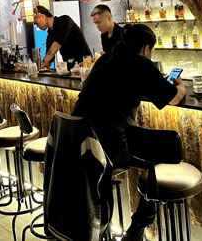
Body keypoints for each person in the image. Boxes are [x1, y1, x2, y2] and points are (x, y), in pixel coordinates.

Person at [72, 23, 185, 241]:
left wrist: (152, 83)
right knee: (162, 159)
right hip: (108, 149)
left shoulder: (105, 59)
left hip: (77, 141)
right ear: (146, 48)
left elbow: (121, 85)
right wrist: (180, 86)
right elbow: (172, 98)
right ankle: (138, 226)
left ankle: (127, 228)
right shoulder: (142, 63)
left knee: (150, 154)